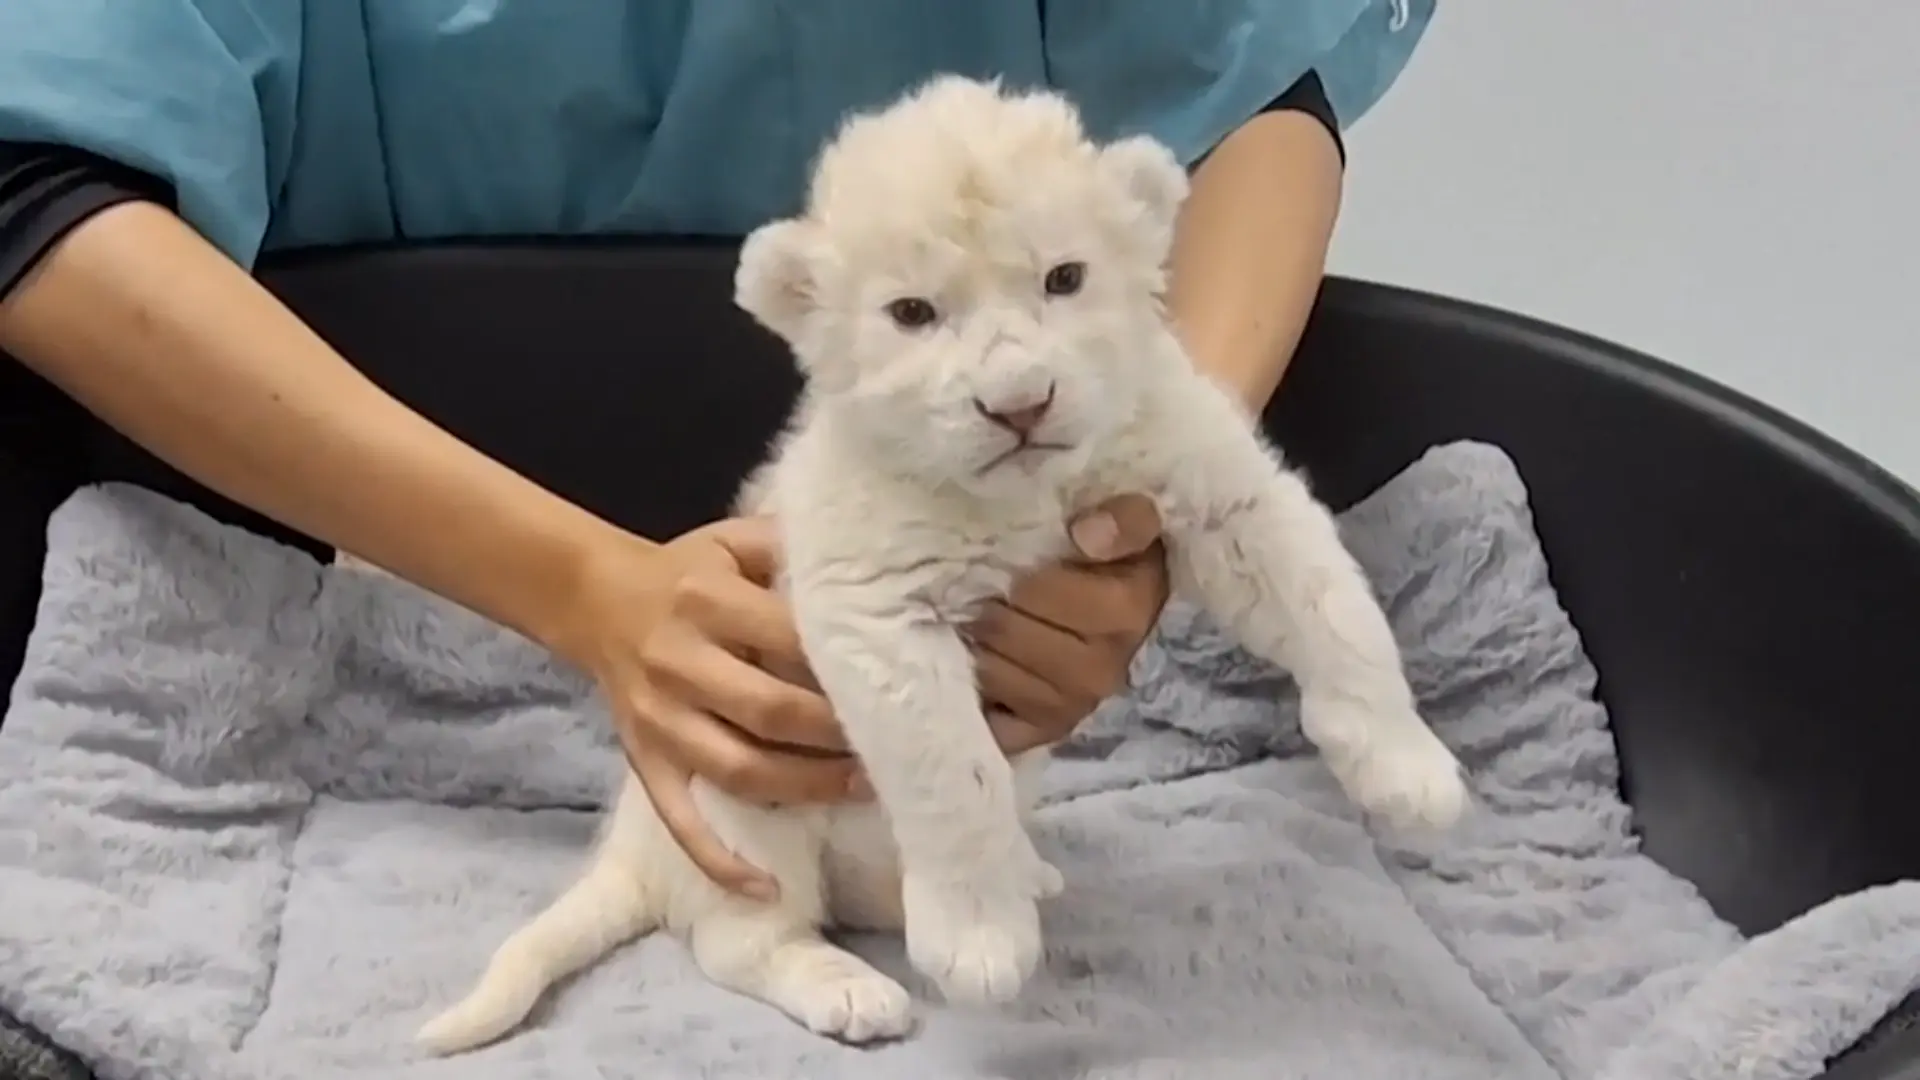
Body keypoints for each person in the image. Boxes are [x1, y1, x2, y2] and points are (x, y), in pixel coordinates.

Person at [0, 1, 1433, 900]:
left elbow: (1254, 93)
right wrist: (585, 589)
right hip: (340, 569)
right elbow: (39, 183)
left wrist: (1127, 512)